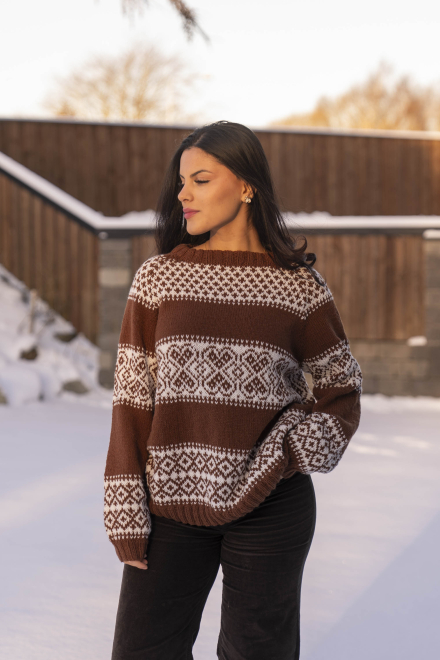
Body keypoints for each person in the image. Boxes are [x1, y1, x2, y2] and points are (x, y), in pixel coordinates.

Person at [103, 120, 362, 660]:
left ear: (246, 185)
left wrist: (294, 449)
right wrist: (124, 503)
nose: (183, 194)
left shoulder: (297, 285)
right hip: (170, 505)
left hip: (271, 505)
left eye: (200, 180)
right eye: (181, 182)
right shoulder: (159, 278)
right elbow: (131, 400)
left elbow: (341, 388)